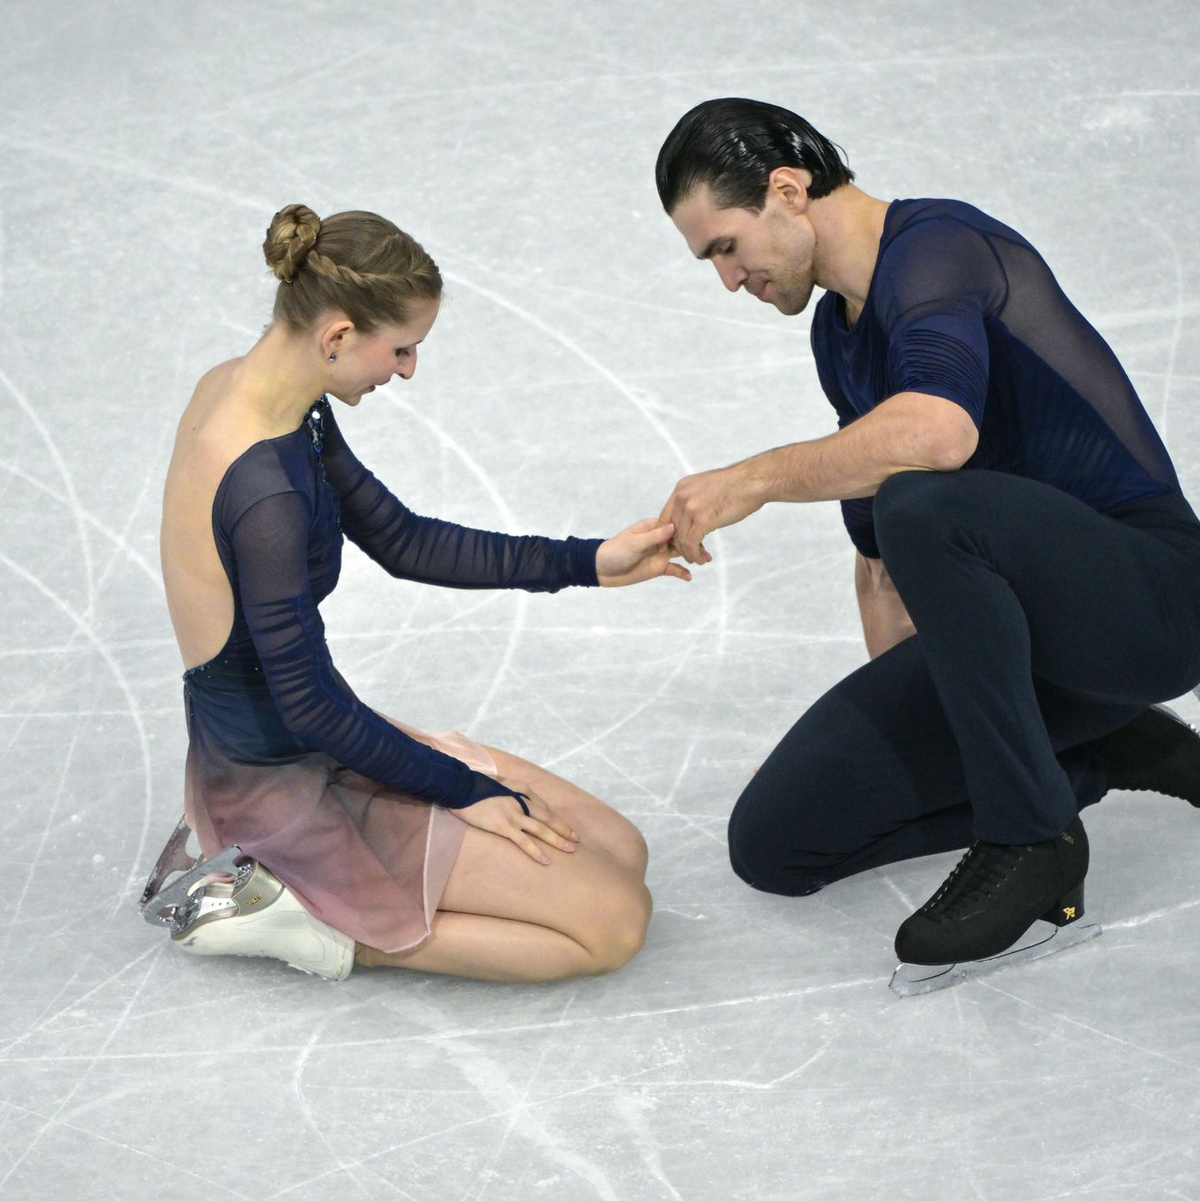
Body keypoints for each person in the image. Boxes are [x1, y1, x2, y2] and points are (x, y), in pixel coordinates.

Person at [653, 97, 1200, 972]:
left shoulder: (937, 251)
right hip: (1029, 642)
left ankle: (1032, 836)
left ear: (788, 191)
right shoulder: (839, 334)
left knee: (922, 498)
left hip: (1152, 599)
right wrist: (940, 724)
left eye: (725, 246)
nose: (728, 278)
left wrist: (749, 478)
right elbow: (882, 563)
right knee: (775, 842)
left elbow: (939, 437)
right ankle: (1092, 746)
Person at [149, 204, 689, 983]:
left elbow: (403, 539)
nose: (406, 369)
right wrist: (463, 790)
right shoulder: (261, 487)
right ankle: (289, 912)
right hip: (273, 785)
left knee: (623, 851)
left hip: (310, 736)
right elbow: (307, 705)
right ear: (337, 336)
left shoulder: (267, 399)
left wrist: (592, 560)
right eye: (400, 348)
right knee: (613, 924)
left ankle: (329, 886)